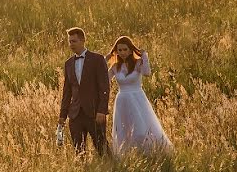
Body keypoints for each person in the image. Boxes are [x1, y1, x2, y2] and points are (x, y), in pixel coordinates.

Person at [107, 35, 172, 155]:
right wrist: (104, 59)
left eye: (125, 49)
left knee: (141, 129)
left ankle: (149, 153)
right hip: (122, 100)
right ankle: (127, 155)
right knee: (124, 130)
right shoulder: (116, 66)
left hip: (137, 98)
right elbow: (104, 80)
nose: (122, 53)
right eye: (119, 50)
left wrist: (145, 57)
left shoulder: (137, 63)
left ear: (131, 50)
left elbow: (147, 73)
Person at [58, 27, 110, 156]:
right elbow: (67, 92)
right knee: (79, 151)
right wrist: (63, 115)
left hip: (94, 112)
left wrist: (102, 110)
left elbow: (104, 87)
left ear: (83, 41)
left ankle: (111, 171)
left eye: (74, 41)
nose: (71, 45)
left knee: (102, 147)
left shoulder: (97, 59)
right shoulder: (68, 63)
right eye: (69, 42)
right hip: (75, 114)